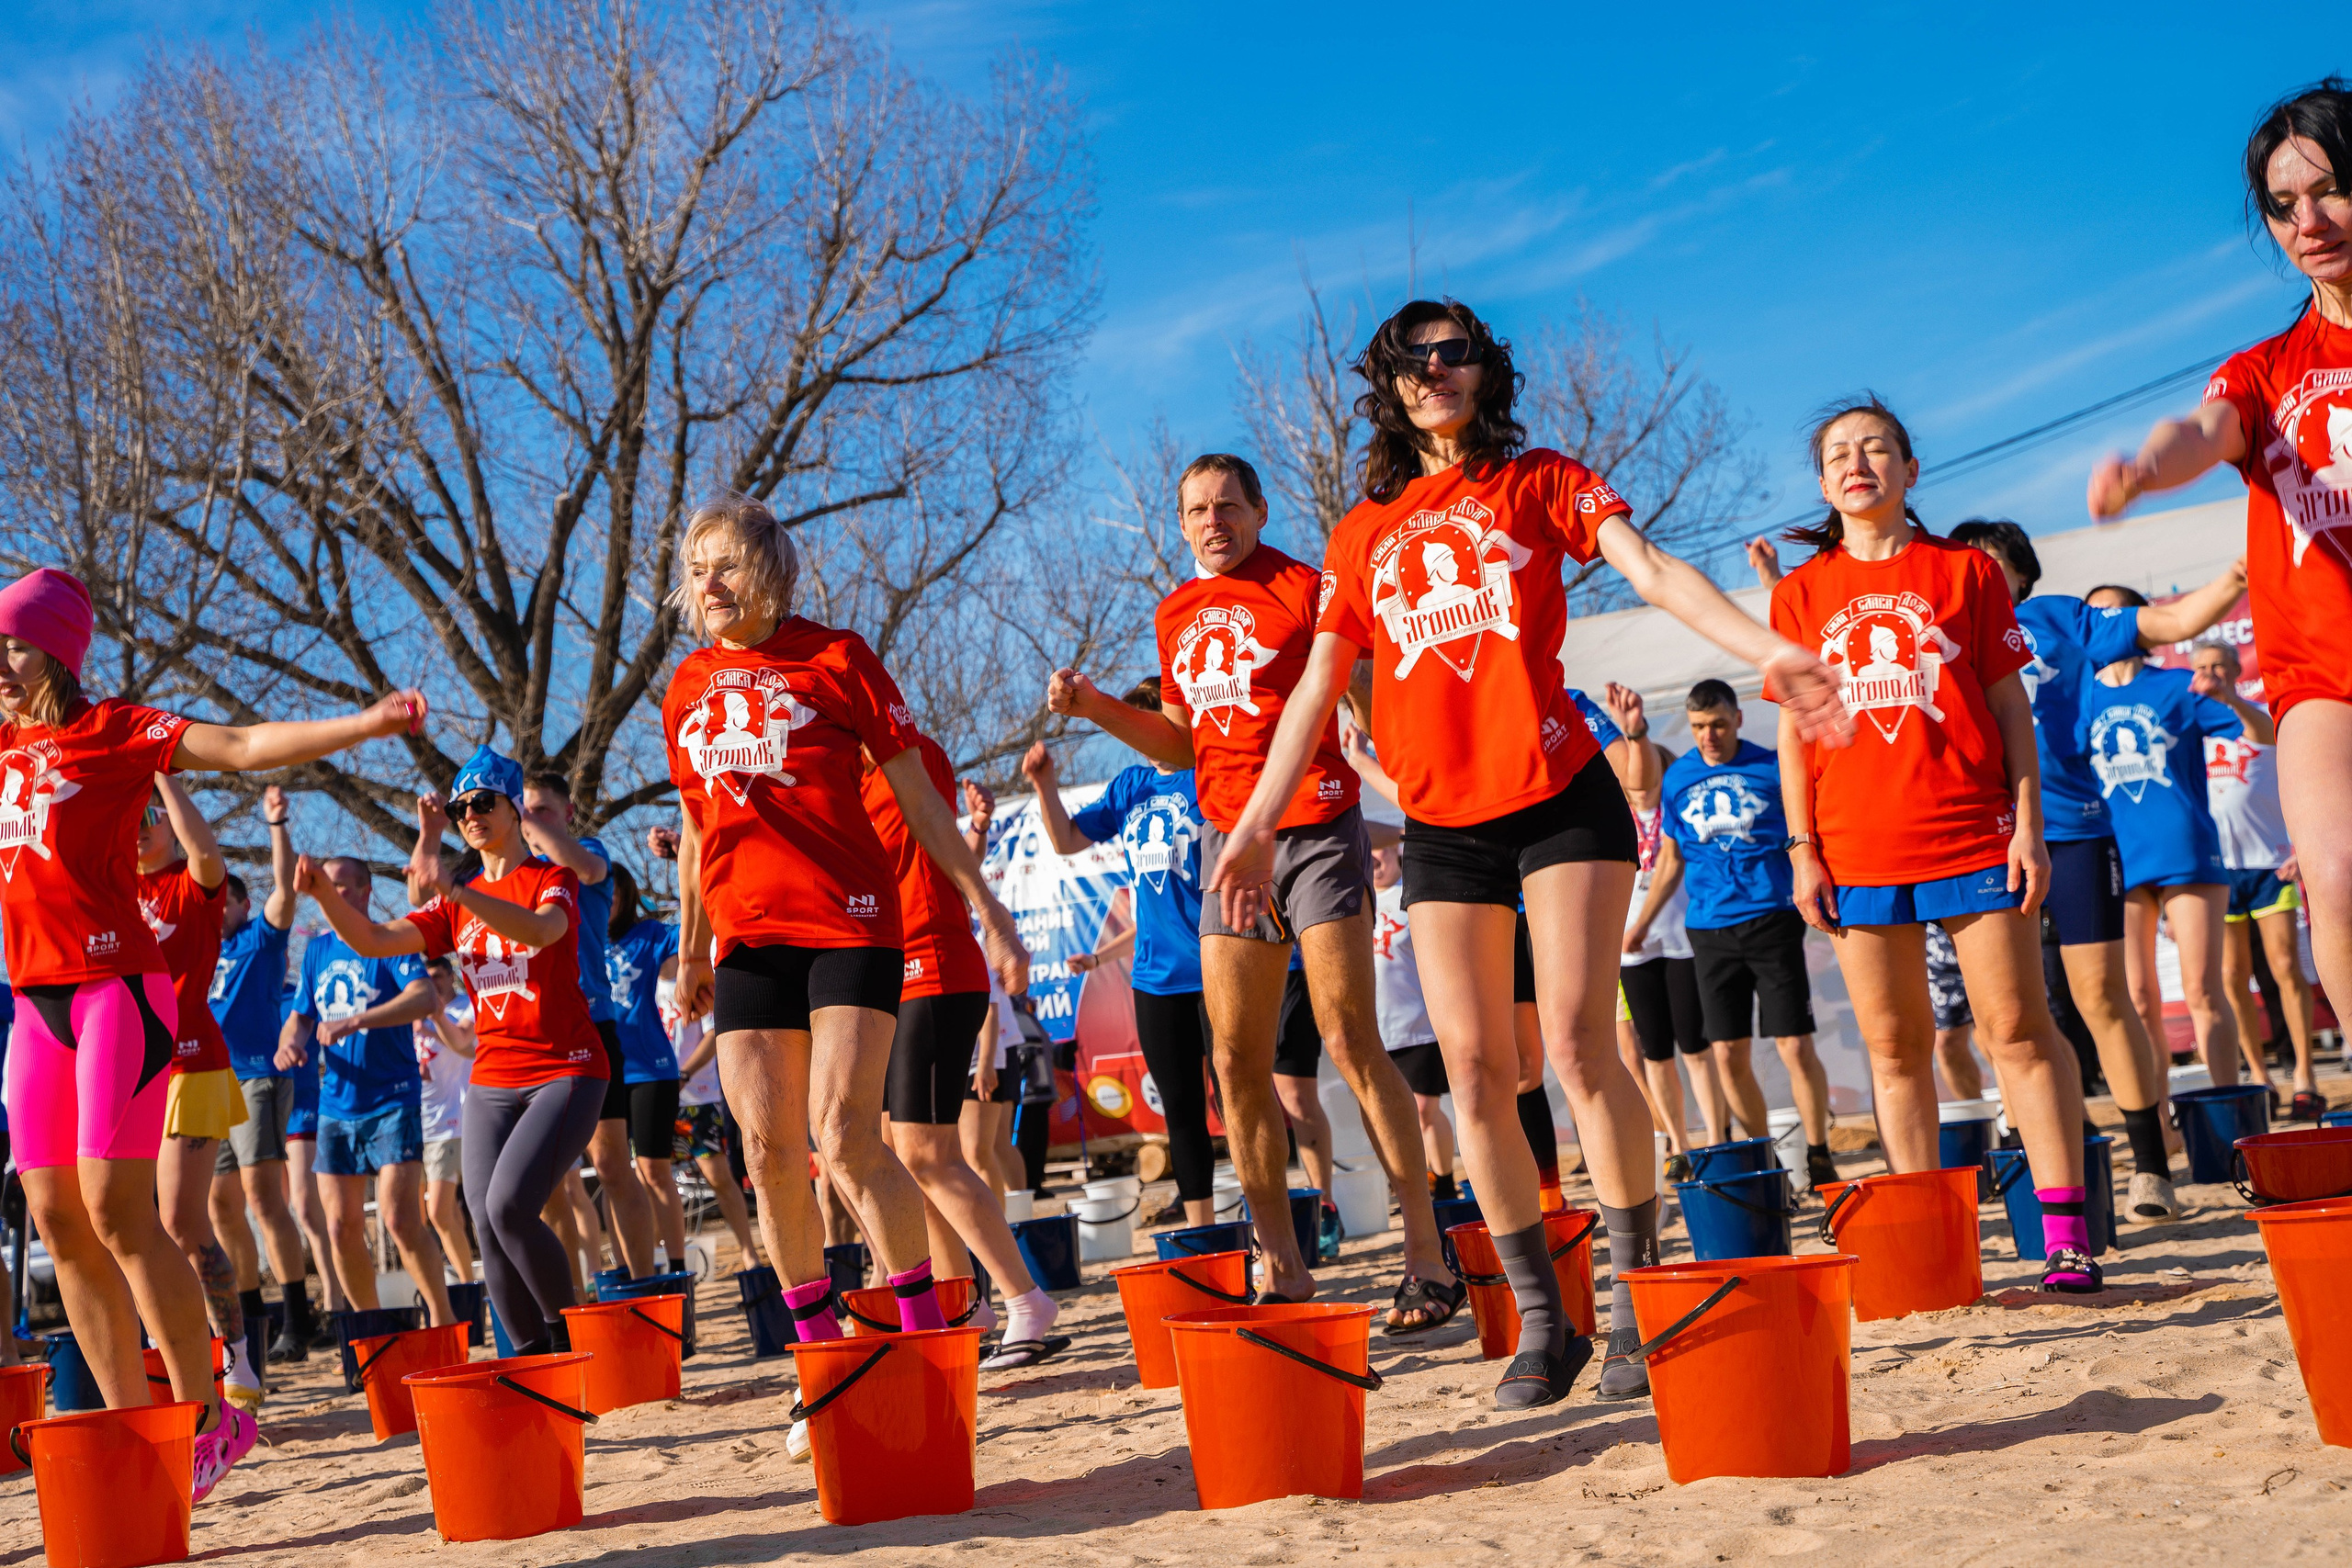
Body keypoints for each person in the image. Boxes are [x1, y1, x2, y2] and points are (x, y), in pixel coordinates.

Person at [1210, 301, 1851, 1408]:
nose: (1435, 371)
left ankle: (1634, 1295)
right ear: (1387, 385)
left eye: (1454, 351)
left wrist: (1767, 649)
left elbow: (1650, 571)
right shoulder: (1363, 529)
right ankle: (1542, 1322)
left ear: (1483, 371)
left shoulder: (1540, 479)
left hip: (1560, 795)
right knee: (1473, 1070)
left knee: (1572, 1039)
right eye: (1411, 360)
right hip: (1445, 823)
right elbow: (1316, 686)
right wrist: (1256, 823)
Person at [0, 564, 427, 1496]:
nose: (0, 659)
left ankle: (206, 1420)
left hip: (118, 993)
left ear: (57, 651)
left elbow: (237, 743)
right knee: (57, 1221)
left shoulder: (109, 731)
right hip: (33, 1002)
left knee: (120, 1211)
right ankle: (131, 1430)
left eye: (15, 642)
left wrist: (363, 723)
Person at [1046, 452, 1460, 1331]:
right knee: (1234, 1059)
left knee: (1350, 1036)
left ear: (1260, 510)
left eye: (1227, 505)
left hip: (1313, 824)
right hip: (1224, 844)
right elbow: (1178, 746)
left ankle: (1426, 1252)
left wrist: (1394, 758)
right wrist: (1093, 709)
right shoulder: (1174, 612)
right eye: (1195, 508)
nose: (1211, 521)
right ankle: (1284, 1264)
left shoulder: (1305, 586)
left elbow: (1366, 685)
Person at [662, 497, 1025, 1440]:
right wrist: (691, 943)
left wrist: (983, 904)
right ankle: (817, 1361)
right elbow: (701, 826)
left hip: (853, 923)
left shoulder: (838, 658)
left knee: (844, 1134)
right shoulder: (685, 688)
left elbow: (917, 794)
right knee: (767, 1152)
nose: (710, 583)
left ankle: (917, 1338)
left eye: (729, 564)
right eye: (698, 567)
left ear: (773, 571)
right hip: (746, 939)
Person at [1770, 397, 2100, 1292]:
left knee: (2018, 1032)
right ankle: (1924, 1246)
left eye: (1877, 447)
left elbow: (2008, 708)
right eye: (1838, 450)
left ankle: (2065, 1235)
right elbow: (1796, 736)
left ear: (1909, 472)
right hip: (1853, 850)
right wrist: (1802, 849)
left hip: (1973, 836)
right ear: (1822, 480)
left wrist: (2028, 821)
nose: (1857, 461)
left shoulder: (1963, 573)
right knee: (1892, 1046)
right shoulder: (1798, 594)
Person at [2088, 79, 2352, 1066]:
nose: (2306, 221)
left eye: (2327, 191)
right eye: (2282, 205)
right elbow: (2198, 433)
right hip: (2323, 669)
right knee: (2332, 874)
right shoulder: (2264, 367)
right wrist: (2144, 471)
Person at [1947, 520, 2245, 1218]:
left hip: (2076, 832)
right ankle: (2064, 1145)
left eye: (1987, 562)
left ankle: (2150, 1167)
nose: (1974, 572)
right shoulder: (1939, 632)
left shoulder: (2059, 619)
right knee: (2004, 1017)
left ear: (2019, 573)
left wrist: (2234, 581)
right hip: (1984, 838)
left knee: (2102, 997)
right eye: (1963, 561)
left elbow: (2168, 619)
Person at [300, 747, 606, 1357]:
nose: (470, 814)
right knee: (484, 1223)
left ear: (514, 808)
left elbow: (543, 931)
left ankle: (573, 1336)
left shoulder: (552, 877)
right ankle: (530, 1363)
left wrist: (461, 895)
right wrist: (321, 896)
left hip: (565, 1069)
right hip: (493, 1076)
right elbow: (373, 938)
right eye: (461, 805)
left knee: (510, 1206)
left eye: (483, 802)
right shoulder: (451, 901)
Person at [867, 733, 1065, 1368]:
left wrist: (996, 918)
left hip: (934, 965)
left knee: (938, 1154)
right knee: (904, 1157)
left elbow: (941, 851)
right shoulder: (847, 769)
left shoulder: (905, 754)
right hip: (894, 972)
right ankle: (964, 1303)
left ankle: (1025, 1298)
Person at [1021, 682, 1217, 1228]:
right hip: (1155, 981)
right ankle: (1206, 1232)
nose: (1136, 728)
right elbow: (1064, 840)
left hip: (1220, 967)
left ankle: (1274, 1216)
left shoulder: (1210, 775)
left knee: (1237, 1102)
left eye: (1146, 715)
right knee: (1181, 1111)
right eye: (1130, 719)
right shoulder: (1129, 786)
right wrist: (1046, 783)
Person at [2078, 584, 2276, 1103]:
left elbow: (2264, 733)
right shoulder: (2081, 697)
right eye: (2091, 613)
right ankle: (2158, 1121)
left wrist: (2231, 698)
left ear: (2138, 621)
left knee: (2204, 991)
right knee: (2137, 1001)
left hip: (2186, 852)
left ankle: (2229, 1115)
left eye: (2112, 611)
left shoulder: (2178, 687)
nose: (2100, 621)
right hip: (2117, 858)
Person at [1660, 680, 1838, 1186]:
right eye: (1698, 727)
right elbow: (1672, 857)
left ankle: (1819, 1151)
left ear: (1738, 718)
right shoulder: (1678, 778)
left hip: (1771, 918)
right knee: (1726, 1053)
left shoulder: (1769, 765)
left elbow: (1806, 833)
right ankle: (1766, 1160)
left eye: (1717, 724)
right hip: (1709, 929)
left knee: (1794, 1046)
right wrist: (1643, 922)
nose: (1708, 736)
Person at [277, 855, 456, 1327]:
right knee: (340, 1227)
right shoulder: (316, 951)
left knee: (400, 1220)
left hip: (392, 1099)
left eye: (338, 886)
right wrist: (290, 1044)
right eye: (323, 886)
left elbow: (424, 998)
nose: (328, 895)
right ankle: (370, 1330)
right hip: (336, 1106)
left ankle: (442, 1318)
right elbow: (300, 1016)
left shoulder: (390, 941)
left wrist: (356, 1021)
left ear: (364, 892)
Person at [134, 774, 259, 1411]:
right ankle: (174, 1357)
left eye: (149, 814)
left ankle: (239, 1357)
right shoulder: (113, 890)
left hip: (193, 1066)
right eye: (130, 816)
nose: (138, 825)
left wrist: (163, 775)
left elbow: (205, 850)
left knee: (184, 1221)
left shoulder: (195, 885)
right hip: (130, 1070)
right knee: (134, 1225)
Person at [521, 772, 661, 1280]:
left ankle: (643, 1287)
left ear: (568, 813)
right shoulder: (517, 872)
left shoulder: (588, 855)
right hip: (532, 1036)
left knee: (611, 1166)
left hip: (592, 1028)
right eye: (524, 810)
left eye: (542, 811)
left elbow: (576, 861)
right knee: (548, 1184)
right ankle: (570, 1300)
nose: (530, 821)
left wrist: (528, 822)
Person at [204, 787, 318, 1365]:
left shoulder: (259, 939)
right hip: (207, 1083)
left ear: (242, 906)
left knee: (262, 1197)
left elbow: (286, 890)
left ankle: (298, 1315)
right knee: (220, 1207)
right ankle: (253, 1321)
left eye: (224, 901)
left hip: (256, 1077)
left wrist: (276, 824)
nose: (214, 909)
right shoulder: (197, 949)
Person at [2192, 637, 2324, 1119]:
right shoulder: (2192, 729)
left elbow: (2261, 730)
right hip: (2218, 868)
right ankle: (2259, 1076)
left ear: (2233, 670)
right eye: (2201, 667)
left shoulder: (2254, 718)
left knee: (2287, 968)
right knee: (2231, 976)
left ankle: (2305, 1074)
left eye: (2219, 666)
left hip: (2269, 863)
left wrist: (2227, 700)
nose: (2209, 674)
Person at [1368, 829, 1457, 1195]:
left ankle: (1444, 1181)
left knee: (1422, 1110)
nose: (1374, 859)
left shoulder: (1412, 895)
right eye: (1368, 852)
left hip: (1419, 1026)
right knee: (1389, 1116)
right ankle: (1411, 1185)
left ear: (1396, 851)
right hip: (1376, 1030)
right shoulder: (1356, 899)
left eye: (1381, 852)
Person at [605, 863, 686, 1266]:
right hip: (601, 1072)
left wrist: (681, 861)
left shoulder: (650, 935)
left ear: (626, 898)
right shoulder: (580, 940)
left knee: (654, 1169)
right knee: (612, 1173)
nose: (606, 903)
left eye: (613, 895)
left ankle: (676, 1266)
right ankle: (624, 1271)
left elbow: (691, 934)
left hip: (652, 1069)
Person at [414, 956, 477, 1290]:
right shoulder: (412, 1014)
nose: (433, 982)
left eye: (439, 975)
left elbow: (470, 1050)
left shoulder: (466, 1007)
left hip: (455, 1120)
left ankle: (469, 1285)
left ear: (452, 975)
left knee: (441, 1210)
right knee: (426, 1215)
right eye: (427, 977)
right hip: (416, 1122)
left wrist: (432, 1028)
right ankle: (457, 1281)